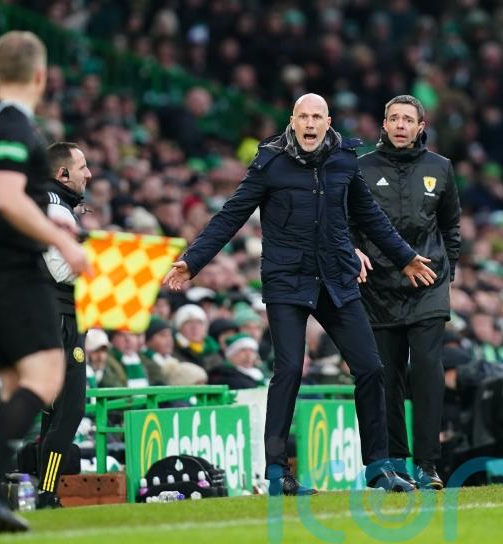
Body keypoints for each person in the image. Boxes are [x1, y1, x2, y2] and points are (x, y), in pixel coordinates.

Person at [164, 93, 436, 495]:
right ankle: (278, 473)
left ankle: (379, 467)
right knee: (289, 369)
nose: (310, 124)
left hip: (336, 279)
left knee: (371, 368)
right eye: (303, 116)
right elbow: (232, 214)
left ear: (328, 123)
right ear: (292, 120)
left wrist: (406, 258)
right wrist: (193, 260)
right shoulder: (270, 162)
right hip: (287, 282)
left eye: (317, 117)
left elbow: (370, 217)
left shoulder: (344, 160)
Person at [0, 31, 90, 533]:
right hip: (12, 269)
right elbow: (9, 198)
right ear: (40, 75)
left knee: (17, 388)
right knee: (46, 382)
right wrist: (67, 244)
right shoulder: (12, 122)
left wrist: (52, 225)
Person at [353, 95, 461, 490]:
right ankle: (394, 461)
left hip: (428, 285)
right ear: (383, 124)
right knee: (387, 375)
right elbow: (346, 223)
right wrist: (354, 252)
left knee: (428, 372)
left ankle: (428, 464)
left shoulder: (441, 168)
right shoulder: (359, 168)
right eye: (393, 118)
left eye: (407, 119)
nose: (400, 125)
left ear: (420, 126)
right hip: (378, 287)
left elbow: (451, 224)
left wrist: (447, 268)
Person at [35, 141, 91, 509]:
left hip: (47, 316)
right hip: (60, 318)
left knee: (53, 412)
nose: (88, 174)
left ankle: (43, 490)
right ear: (62, 174)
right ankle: (46, 492)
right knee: (69, 409)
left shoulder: (49, 206)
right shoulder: (56, 211)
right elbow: (61, 269)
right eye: (82, 166)